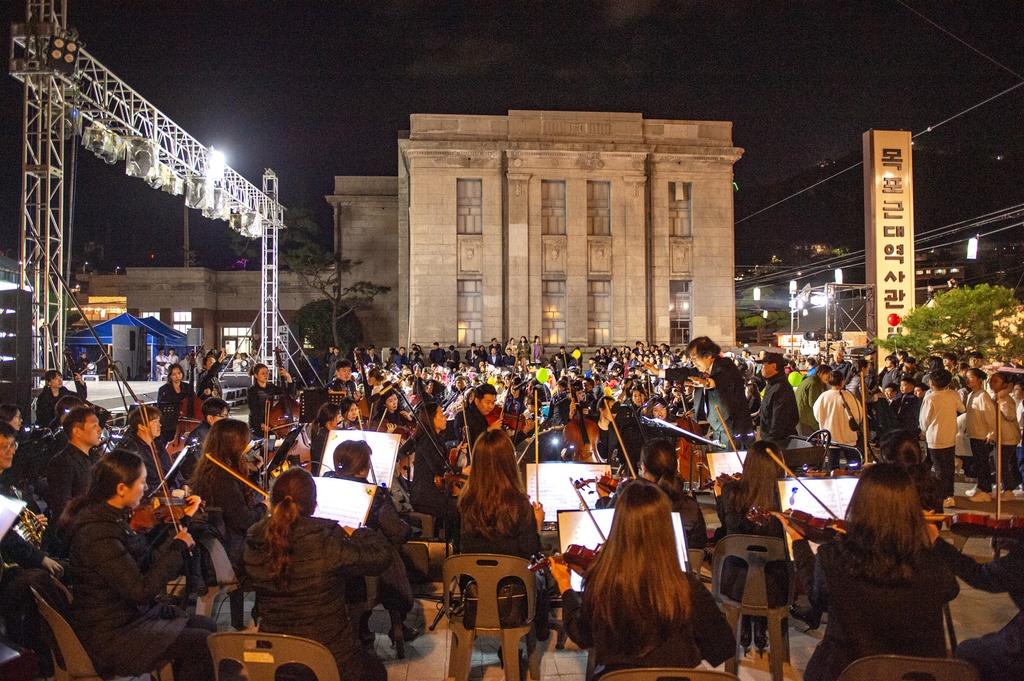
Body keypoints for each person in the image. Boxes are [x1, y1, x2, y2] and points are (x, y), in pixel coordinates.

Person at [61, 449, 215, 681]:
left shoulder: (113, 518)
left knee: (209, 627)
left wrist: (182, 523)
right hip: (111, 633)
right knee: (202, 643)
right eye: (142, 483)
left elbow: (148, 558)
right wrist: (177, 549)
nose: (146, 489)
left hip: (129, 617)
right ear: (121, 489)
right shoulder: (97, 533)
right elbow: (140, 591)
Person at [552, 479, 734, 674]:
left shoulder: (602, 585)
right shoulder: (687, 588)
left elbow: (582, 635)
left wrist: (565, 586)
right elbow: (722, 648)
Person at [796, 463, 959, 681]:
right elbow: (951, 589)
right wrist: (935, 544)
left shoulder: (833, 557)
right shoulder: (930, 562)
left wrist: (798, 542)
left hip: (850, 672)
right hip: (916, 676)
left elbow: (818, 599)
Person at [243, 467, 392, 681]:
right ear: (314, 505)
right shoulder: (326, 540)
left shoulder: (253, 541)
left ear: (273, 503)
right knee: (375, 671)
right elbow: (380, 558)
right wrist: (358, 532)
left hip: (276, 662)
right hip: (330, 660)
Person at [328, 440, 417, 649]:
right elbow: (398, 531)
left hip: (333, 562)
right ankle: (396, 623)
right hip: (366, 568)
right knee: (391, 556)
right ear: (362, 469)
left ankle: (361, 628)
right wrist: (407, 529)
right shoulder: (372, 495)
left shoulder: (326, 487)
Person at [715, 440, 796, 652]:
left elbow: (726, 525)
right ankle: (761, 626)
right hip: (776, 588)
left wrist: (718, 496)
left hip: (735, 585)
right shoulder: (785, 495)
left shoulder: (731, 490)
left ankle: (746, 627)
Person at [188, 419, 269, 629]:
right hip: (229, 549)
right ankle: (261, 617)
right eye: (244, 442)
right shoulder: (223, 479)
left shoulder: (213, 469)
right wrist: (266, 506)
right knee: (279, 556)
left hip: (227, 540)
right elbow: (245, 520)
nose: (247, 446)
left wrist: (253, 473)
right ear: (232, 445)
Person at [0, 421, 66, 677]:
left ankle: (44, 654)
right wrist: (40, 559)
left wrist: (28, 522)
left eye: (12, 445)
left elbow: (10, 529)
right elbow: (7, 540)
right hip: (7, 569)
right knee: (41, 579)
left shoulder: (6, 482)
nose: (11, 451)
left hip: (14, 560)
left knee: (60, 566)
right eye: (3, 447)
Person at [647, 336, 754, 449]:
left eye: (695, 358)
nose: (693, 362)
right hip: (717, 430)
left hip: (734, 431)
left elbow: (721, 378)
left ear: (708, 355)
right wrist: (657, 372)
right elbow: (684, 373)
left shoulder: (726, 365)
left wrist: (706, 383)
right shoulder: (703, 370)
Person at [401, 402, 462, 542]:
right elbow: (439, 468)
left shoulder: (434, 439)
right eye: (441, 414)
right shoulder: (428, 441)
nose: (445, 417)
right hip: (425, 495)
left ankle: (449, 540)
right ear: (431, 419)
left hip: (431, 492)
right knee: (461, 509)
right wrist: (462, 470)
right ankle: (455, 547)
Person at [43, 405, 104, 521]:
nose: (100, 430)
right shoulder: (62, 462)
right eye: (94, 426)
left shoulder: (91, 458)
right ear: (77, 432)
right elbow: (63, 508)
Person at [918, 368, 965, 507]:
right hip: (950, 435)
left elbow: (924, 420)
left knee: (938, 468)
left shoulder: (930, 397)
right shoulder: (953, 394)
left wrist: (923, 431)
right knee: (948, 467)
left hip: (935, 437)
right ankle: (950, 495)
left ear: (932, 382)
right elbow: (962, 409)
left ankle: (942, 496)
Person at [121, 404, 182, 492]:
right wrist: (170, 492)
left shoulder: (158, 445)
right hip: (152, 500)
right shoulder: (133, 451)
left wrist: (183, 484)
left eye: (159, 421)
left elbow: (170, 470)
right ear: (141, 427)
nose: (160, 425)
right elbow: (140, 487)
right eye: (155, 422)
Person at [812, 371, 864, 469]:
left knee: (832, 467)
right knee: (853, 466)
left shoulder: (823, 397)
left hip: (831, 437)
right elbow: (858, 415)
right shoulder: (850, 397)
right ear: (842, 381)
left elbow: (817, 414)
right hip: (849, 437)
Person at [963, 367, 998, 503]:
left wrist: (992, 433)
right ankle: (981, 487)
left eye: (971, 377)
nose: (967, 380)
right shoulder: (972, 394)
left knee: (983, 464)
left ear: (979, 379)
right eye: (966, 377)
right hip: (974, 434)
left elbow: (990, 416)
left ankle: (986, 491)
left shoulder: (983, 396)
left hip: (982, 435)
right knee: (978, 463)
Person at [989, 371, 1023, 497]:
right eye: (991, 381)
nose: (992, 384)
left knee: (1002, 463)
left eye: (996, 381)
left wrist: (1000, 403)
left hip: (1008, 436)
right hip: (1001, 435)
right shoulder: (996, 396)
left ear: (1004, 385)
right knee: (1000, 463)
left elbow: (1010, 415)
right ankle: (1003, 486)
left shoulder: (1005, 398)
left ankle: (1008, 489)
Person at [757, 352, 800, 445]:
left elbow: (780, 422)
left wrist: (769, 443)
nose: (761, 368)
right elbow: (767, 413)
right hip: (771, 440)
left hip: (779, 444)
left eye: (764, 365)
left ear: (773, 366)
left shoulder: (781, 388)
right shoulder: (771, 385)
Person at [452, 383, 501, 463]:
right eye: (488, 402)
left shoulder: (492, 416)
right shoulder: (462, 416)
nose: (491, 407)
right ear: (477, 401)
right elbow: (468, 444)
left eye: (493, 403)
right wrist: (489, 429)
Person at [247, 362, 293, 438]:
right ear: (256, 375)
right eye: (262, 373)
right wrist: (261, 424)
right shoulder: (252, 390)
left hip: (269, 420)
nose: (266, 375)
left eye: (267, 373)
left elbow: (288, 392)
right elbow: (253, 409)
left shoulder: (270, 387)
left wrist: (287, 376)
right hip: (256, 422)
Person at [157, 363, 197, 439]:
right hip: (170, 422)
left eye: (179, 373)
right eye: (174, 374)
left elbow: (195, 401)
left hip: (185, 421)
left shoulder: (187, 387)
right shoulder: (163, 389)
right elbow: (160, 407)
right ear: (170, 376)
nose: (177, 376)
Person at [795, 365, 832, 436]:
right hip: (804, 418)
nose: (828, 377)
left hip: (803, 416)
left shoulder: (817, 382)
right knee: (807, 443)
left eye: (830, 375)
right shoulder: (813, 383)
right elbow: (813, 403)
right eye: (826, 374)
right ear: (819, 373)